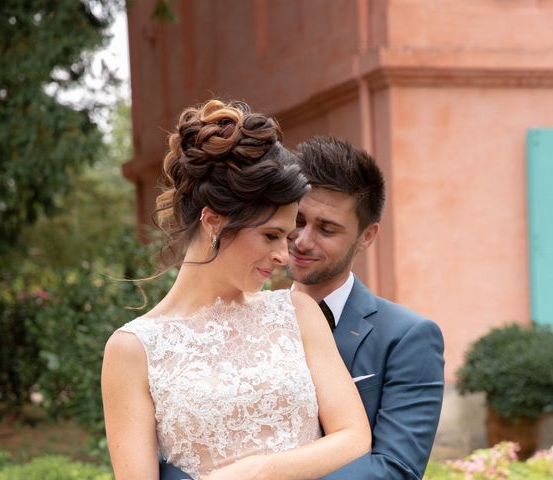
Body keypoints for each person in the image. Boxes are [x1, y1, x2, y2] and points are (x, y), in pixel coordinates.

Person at [101, 100, 371, 480]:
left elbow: (354, 436)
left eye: (287, 236)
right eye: (271, 236)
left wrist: (262, 471)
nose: (284, 255)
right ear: (213, 220)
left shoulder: (297, 312)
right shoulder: (133, 350)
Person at [287, 137, 445, 480]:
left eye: (327, 229)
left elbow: (395, 469)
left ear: (367, 236)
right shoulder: (239, 319)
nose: (302, 240)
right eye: (297, 220)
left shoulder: (408, 337)